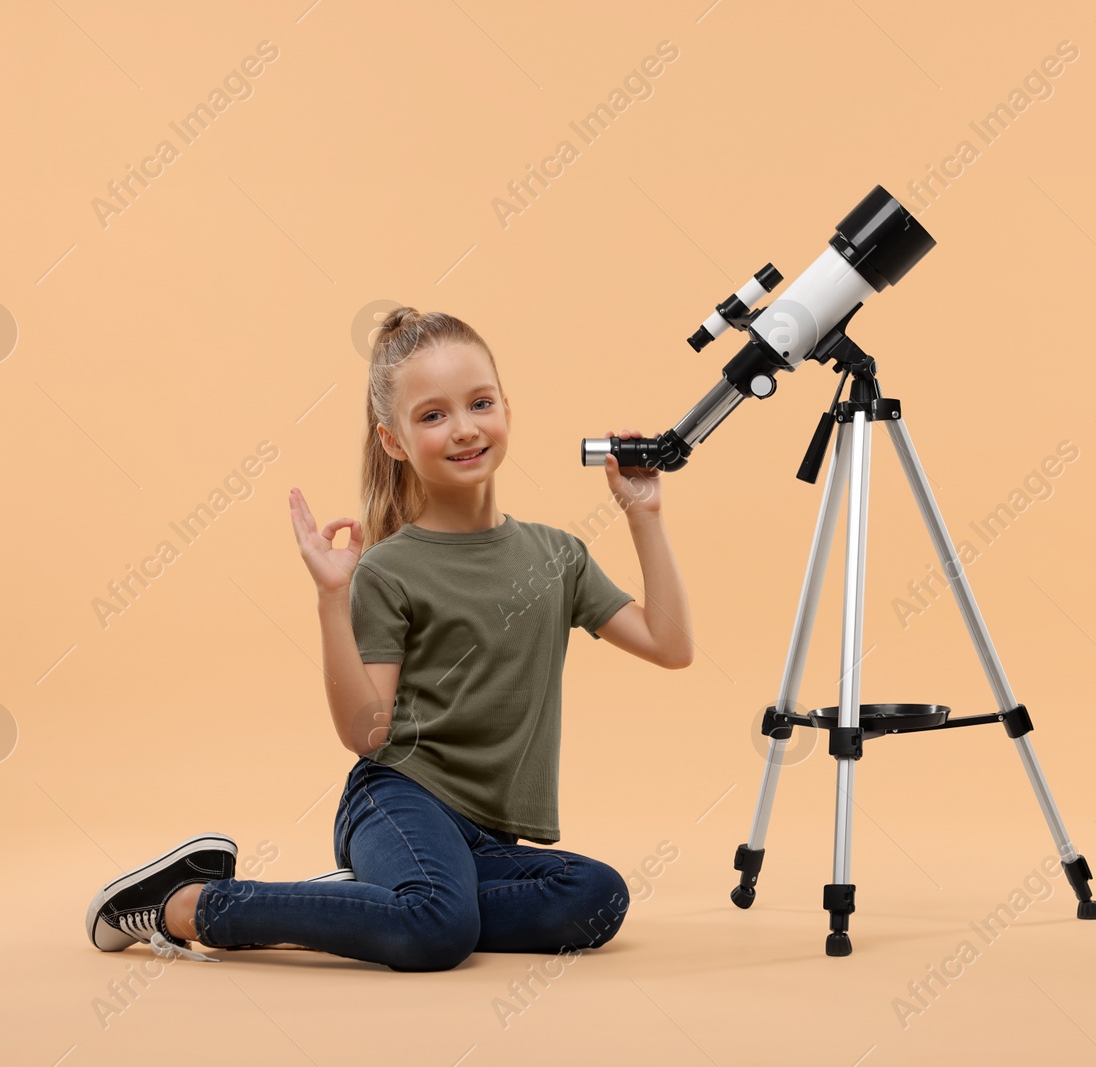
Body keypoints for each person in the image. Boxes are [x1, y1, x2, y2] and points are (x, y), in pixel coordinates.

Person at [86, 306, 693, 971]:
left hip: (487, 838)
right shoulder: (389, 567)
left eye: (479, 403)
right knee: (439, 931)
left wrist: (644, 515)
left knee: (597, 896)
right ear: (394, 440)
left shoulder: (557, 555)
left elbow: (670, 644)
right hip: (398, 798)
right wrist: (331, 597)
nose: (463, 428)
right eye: (432, 415)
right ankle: (189, 903)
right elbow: (366, 733)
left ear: (507, 411)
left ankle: (382, 903)